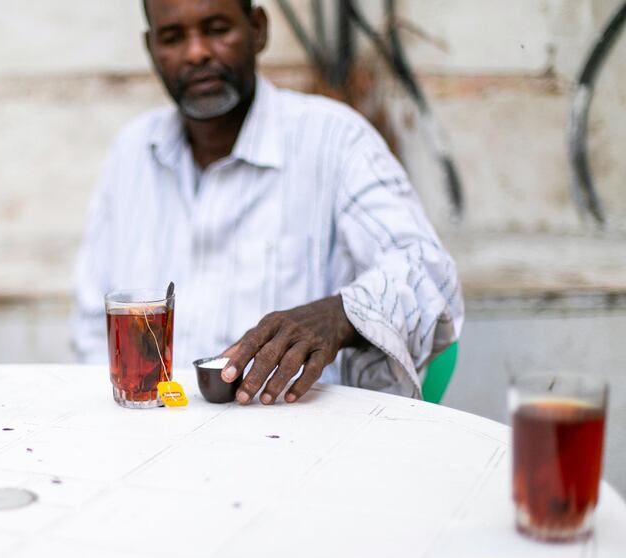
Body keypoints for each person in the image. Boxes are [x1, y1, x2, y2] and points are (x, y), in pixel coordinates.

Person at [73, 0, 464, 405]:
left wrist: (342, 314)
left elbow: (429, 273)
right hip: (152, 432)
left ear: (258, 29)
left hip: (297, 440)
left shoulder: (334, 139)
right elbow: (91, 322)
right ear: (151, 48)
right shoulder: (132, 152)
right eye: (173, 37)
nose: (196, 52)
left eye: (217, 28)